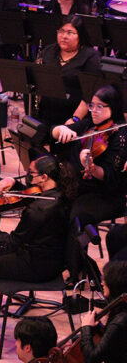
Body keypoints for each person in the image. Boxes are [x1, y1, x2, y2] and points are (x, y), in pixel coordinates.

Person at [0, 154, 74, 342]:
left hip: (37, 264)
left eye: (31, 174)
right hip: (52, 256)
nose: (28, 177)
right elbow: (31, 194)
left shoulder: (38, 210)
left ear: (44, 177)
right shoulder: (62, 193)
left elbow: (11, 243)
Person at [52, 85, 127, 281]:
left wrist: (92, 168)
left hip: (108, 194)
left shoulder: (121, 136)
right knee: (56, 205)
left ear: (113, 108)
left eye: (100, 107)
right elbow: (54, 132)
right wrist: (60, 129)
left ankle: (76, 271)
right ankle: (63, 262)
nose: (94, 111)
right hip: (83, 188)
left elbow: (111, 175)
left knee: (77, 215)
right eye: (92, 106)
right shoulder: (88, 125)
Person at [36, 15, 101, 128]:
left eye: (70, 33)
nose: (64, 36)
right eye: (61, 31)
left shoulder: (90, 57)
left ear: (80, 36)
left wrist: (75, 119)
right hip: (46, 112)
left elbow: (90, 93)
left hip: (73, 115)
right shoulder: (49, 51)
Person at [80, 260, 127, 362]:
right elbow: (114, 340)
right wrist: (97, 328)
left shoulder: (120, 321)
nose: (102, 282)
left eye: (105, 279)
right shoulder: (120, 308)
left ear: (114, 284)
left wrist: (85, 328)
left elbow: (92, 358)